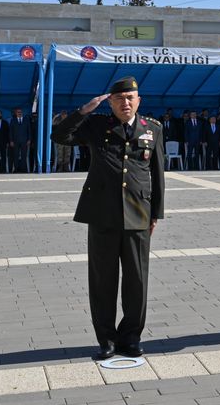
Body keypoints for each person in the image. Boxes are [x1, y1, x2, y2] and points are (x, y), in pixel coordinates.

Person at [50, 76, 165, 360]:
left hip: (138, 213)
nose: (125, 103)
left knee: (137, 281)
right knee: (103, 281)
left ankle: (131, 337)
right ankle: (106, 339)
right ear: (110, 102)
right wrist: (83, 111)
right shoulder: (97, 125)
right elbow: (58, 136)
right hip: (101, 213)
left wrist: (156, 214)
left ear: (138, 101)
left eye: (130, 98)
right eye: (119, 99)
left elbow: (158, 174)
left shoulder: (153, 129)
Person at [11, 107, 33, 172]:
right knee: (16, 155)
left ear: (22, 113)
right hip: (15, 141)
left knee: (24, 155)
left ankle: (23, 169)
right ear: (16, 113)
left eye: (20, 112)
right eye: (18, 112)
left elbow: (29, 130)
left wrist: (29, 139)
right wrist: (11, 140)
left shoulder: (26, 120)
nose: (19, 113)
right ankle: (16, 169)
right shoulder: (13, 120)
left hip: (24, 141)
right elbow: (11, 131)